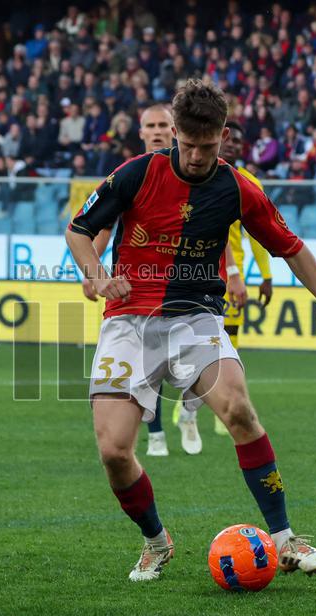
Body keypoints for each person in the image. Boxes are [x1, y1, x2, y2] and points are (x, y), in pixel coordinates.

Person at [66, 79, 316, 582]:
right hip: (128, 322)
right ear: (175, 134)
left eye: (208, 146)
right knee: (115, 452)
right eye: (188, 145)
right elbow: (79, 230)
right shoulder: (136, 174)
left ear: (223, 136)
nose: (198, 156)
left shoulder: (237, 186)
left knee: (240, 410)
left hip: (196, 318)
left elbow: (290, 247)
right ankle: (156, 541)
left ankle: (285, 540)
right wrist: (97, 276)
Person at [80, 103, 244, 457]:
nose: (156, 131)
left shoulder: (208, 178)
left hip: (195, 293)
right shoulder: (131, 175)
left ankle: (188, 412)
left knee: (198, 371)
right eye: (150, 125)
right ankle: (155, 434)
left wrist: (230, 271)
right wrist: (92, 272)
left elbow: (221, 233)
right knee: (144, 366)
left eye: (162, 125)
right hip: (136, 294)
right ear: (141, 133)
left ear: (175, 130)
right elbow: (101, 227)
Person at [199, 120, 274, 436]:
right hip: (201, 271)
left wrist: (266, 274)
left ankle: (222, 407)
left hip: (235, 276)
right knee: (201, 340)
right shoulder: (200, 177)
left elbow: (259, 234)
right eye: (228, 139)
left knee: (228, 337)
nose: (231, 145)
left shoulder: (248, 182)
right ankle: (191, 405)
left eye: (237, 141)